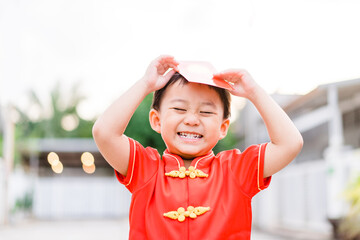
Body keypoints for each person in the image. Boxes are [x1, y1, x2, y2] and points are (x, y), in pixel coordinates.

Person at [92, 55, 303, 240]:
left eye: (206, 112)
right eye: (179, 108)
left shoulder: (236, 170)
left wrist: (254, 92)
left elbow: (290, 144)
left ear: (223, 127)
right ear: (157, 120)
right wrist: (145, 84)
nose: (192, 120)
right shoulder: (144, 168)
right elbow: (104, 133)